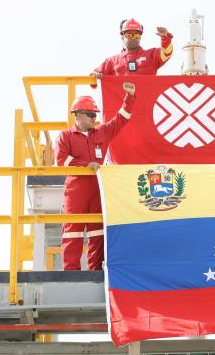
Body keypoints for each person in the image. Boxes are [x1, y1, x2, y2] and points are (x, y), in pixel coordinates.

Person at [55, 82, 136, 270]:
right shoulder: (65, 136)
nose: (94, 118)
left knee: (97, 231)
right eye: (91, 115)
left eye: (95, 115)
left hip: (98, 189)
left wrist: (130, 97)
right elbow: (61, 160)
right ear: (78, 115)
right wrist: (86, 164)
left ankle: (95, 270)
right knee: (72, 231)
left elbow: (121, 119)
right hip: (75, 190)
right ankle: (71, 272)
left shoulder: (102, 132)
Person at [92, 19, 173, 79]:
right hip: (123, 98)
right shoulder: (112, 61)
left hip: (147, 98)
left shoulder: (151, 55)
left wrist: (165, 38)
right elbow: (94, 77)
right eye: (129, 35)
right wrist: (95, 75)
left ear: (140, 37)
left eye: (136, 35)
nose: (133, 38)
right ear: (122, 36)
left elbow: (166, 53)